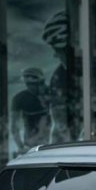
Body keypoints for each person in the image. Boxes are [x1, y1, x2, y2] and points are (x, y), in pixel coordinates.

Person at [42, 10, 77, 143]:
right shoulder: (59, 78)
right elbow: (59, 125)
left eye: (57, 50)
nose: (55, 55)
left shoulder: (60, 76)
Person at [10, 67, 49, 155]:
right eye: (37, 84)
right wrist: (20, 146)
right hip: (31, 139)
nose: (42, 86)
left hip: (46, 140)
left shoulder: (49, 93)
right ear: (28, 85)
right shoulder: (19, 98)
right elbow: (14, 126)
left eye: (42, 83)